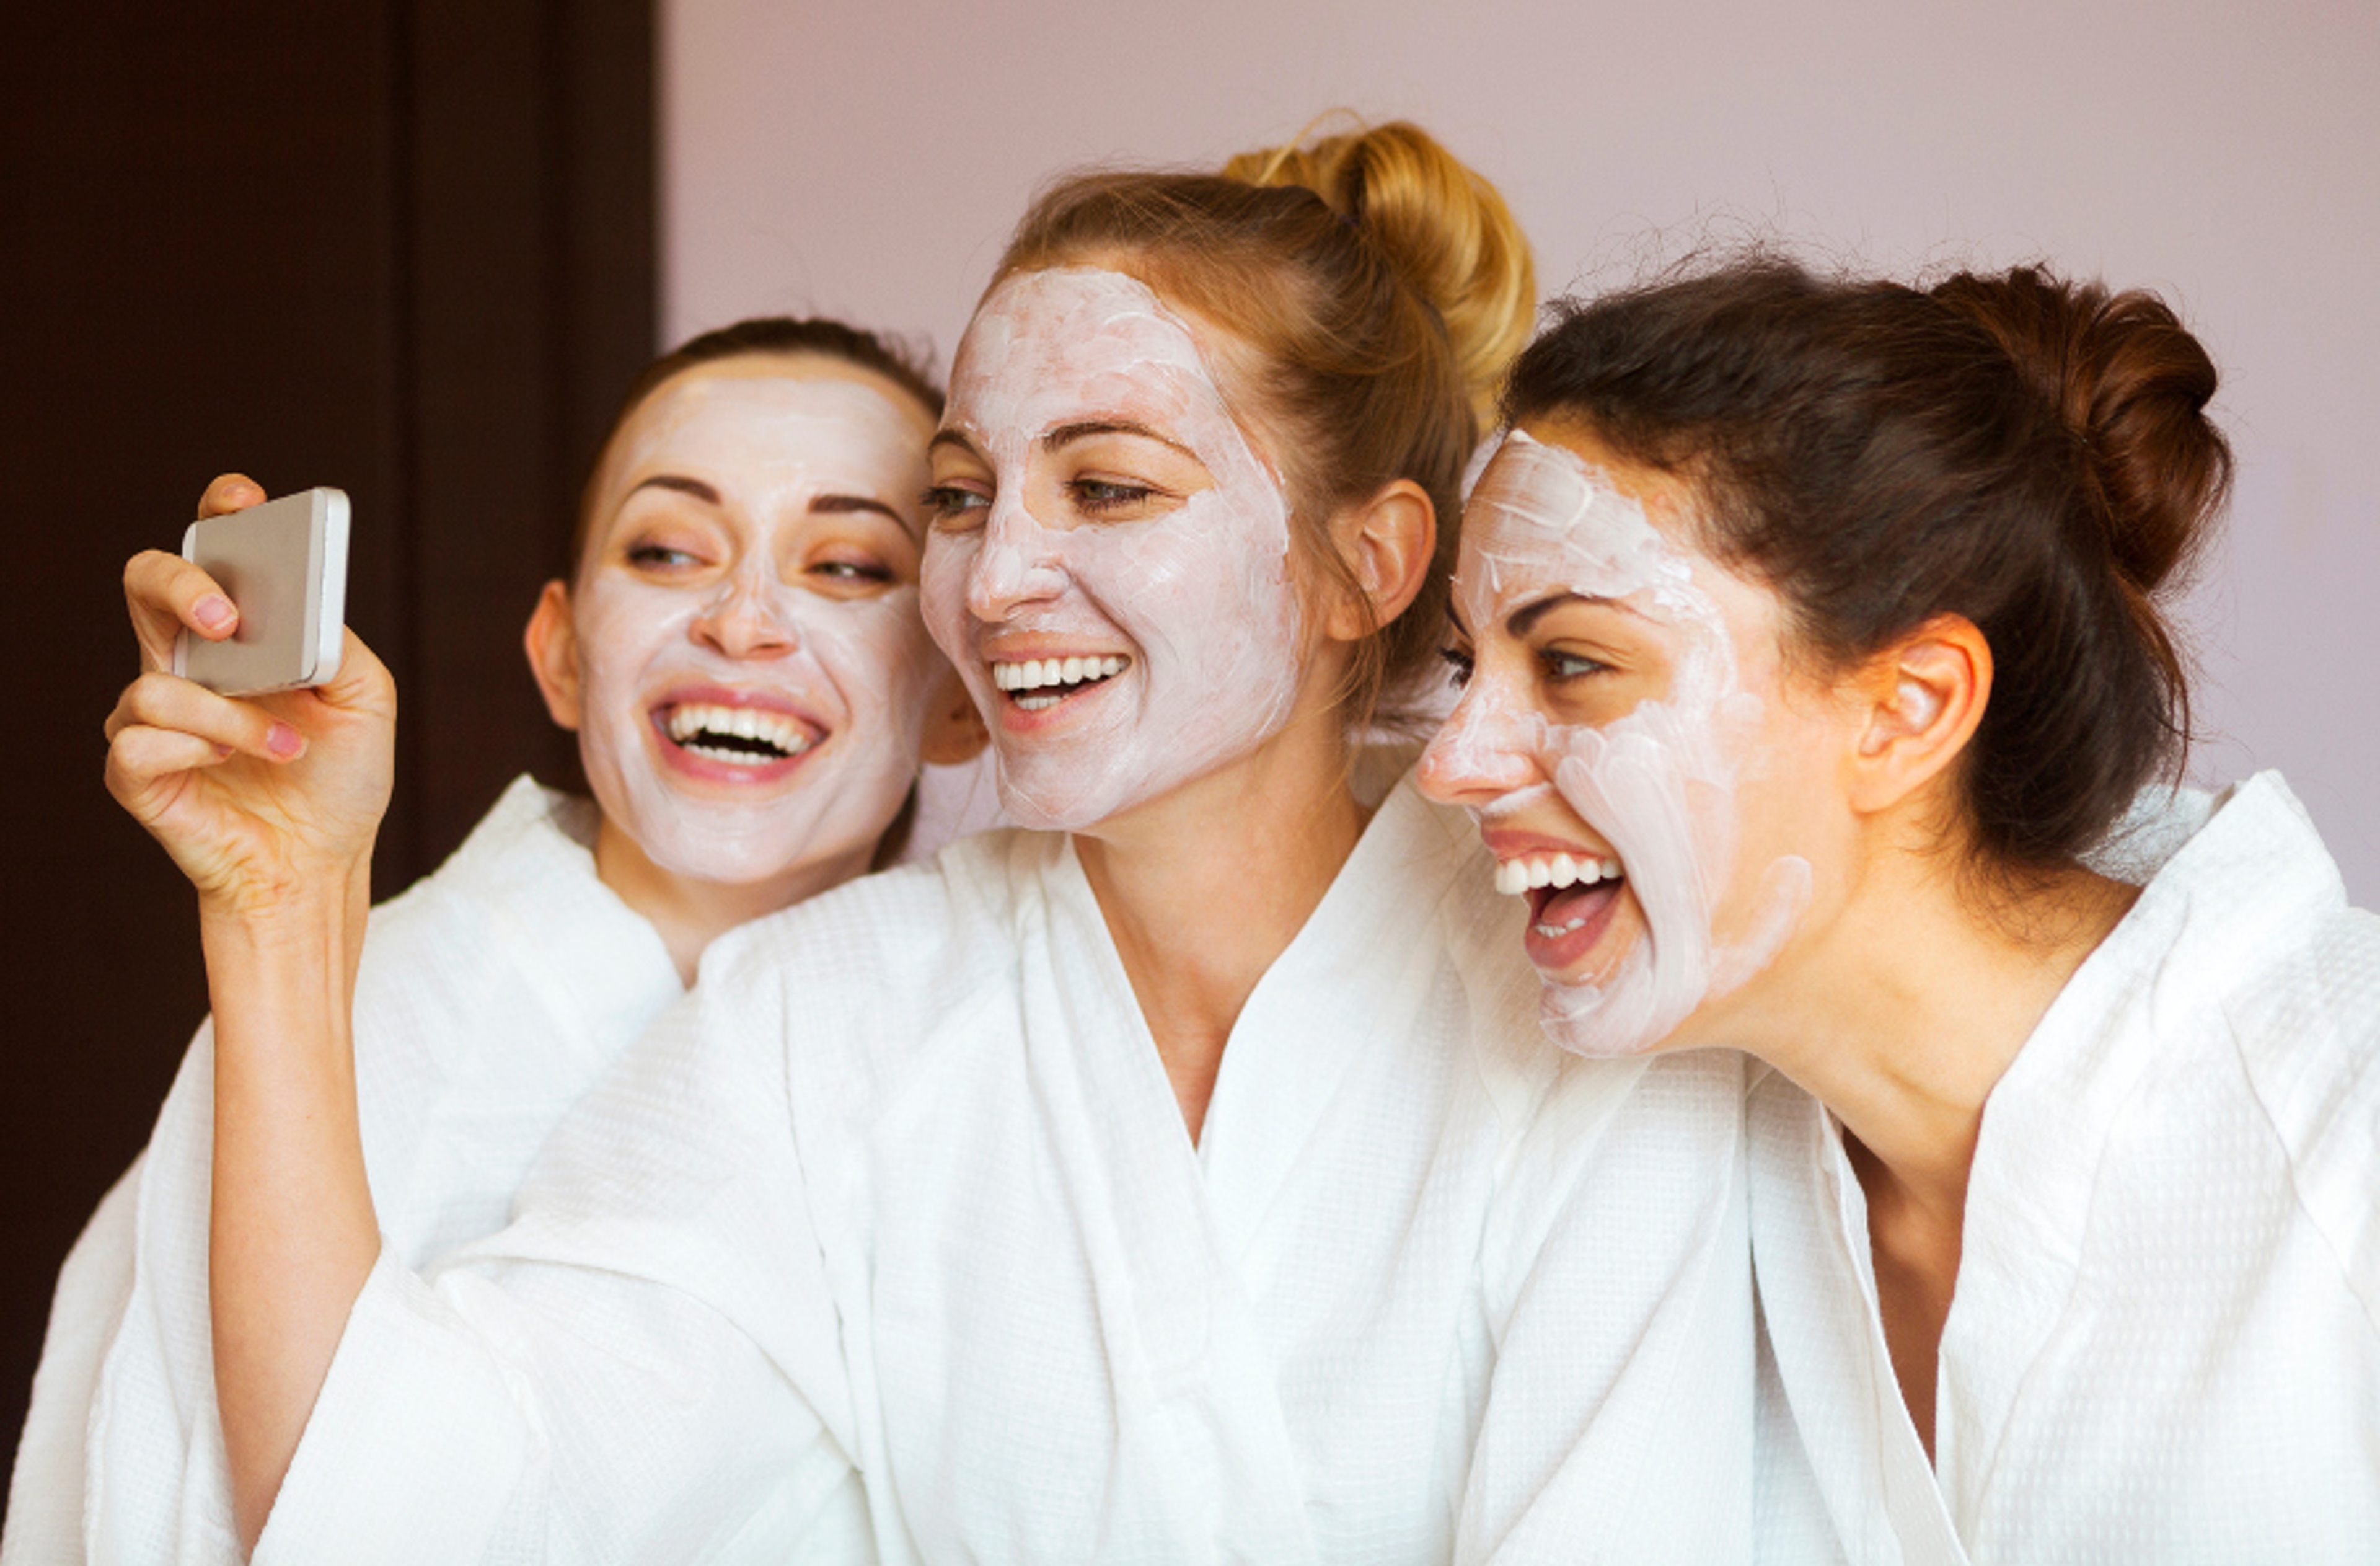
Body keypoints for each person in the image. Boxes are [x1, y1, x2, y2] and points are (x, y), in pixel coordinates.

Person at [164, 120, 1758, 1563]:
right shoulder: (819, 1023)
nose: (994, 585)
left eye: (1112, 488)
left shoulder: (1588, 983)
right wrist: (282, 902)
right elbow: (395, 1512)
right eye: (961, 494)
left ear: (1367, 564)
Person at [1419, 258, 2380, 1561]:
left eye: (1575, 663)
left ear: (1906, 709)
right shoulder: (1680, 1146)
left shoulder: (2345, 1135)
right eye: (1465, 666)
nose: (1451, 762)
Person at [3, 317, 982, 1565]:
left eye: (847, 565)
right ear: (562, 655)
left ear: (960, 693)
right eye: (670, 549)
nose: (744, 621)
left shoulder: (971, 1037)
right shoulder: (372, 1017)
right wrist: (279, 916)